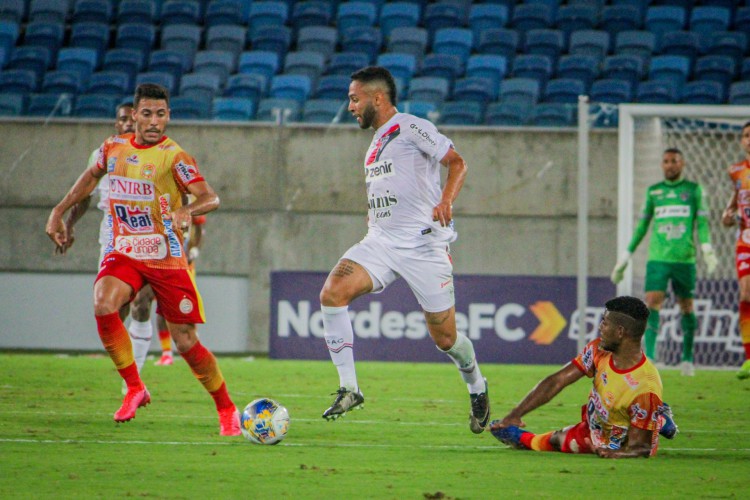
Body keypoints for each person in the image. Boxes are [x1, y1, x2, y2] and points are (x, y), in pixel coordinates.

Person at [45, 83, 241, 435]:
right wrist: (59, 211)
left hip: (165, 256)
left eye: (161, 114)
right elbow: (90, 179)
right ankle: (135, 387)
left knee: (185, 342)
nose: (154, 121)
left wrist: (188, 211)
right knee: (104, 303)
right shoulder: (113, 148)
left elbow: (210, 198)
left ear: (168, 117)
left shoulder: (174, 157)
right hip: (126, 250)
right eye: (147, 113)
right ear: (133, 115)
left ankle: (226, 408)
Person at [318, 66, 490, 433]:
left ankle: (477, 384)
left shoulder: (411, 126)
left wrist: (446, 201)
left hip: (424, 245)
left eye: (354, 98)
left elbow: (457, 163)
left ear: (376, 98)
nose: (350, 107)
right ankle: (350, 388)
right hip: (380, 242)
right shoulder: (374, 144)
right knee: (332, 293)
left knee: (446, 340)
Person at [490, 296, 678, 459]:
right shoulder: (598, 350)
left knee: (547, 442)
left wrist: (616, 453)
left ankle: (658, 418)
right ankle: (659, 417)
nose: (600, 327)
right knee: (556, 440)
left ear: (620, 332)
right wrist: (517, 413)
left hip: (618, 442)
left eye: (605, 323)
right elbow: (558, 380)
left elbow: (641, 448)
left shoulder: (644, 388)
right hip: (595, 429)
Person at [610, 148, 717, 376]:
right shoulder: (654, 192)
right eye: (666, 161)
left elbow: (703, 224)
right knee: (651, 302)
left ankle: (687, 359)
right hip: (658, 259)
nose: (670, 165)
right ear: (661, 165)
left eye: (674, 161)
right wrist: (625, 256)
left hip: (684, 259)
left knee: (686, 306)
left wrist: (706, 247)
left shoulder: (693, 190)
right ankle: (651, 358)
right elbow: (642, 228)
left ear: (682, 163)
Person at [721, 121, 750, 380]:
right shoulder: (736, 171)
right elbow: (736, 197)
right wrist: (728, 213)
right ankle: (749, 359)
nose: (749, 139)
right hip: (746, 239)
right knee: (745, 292)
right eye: (746, 136)